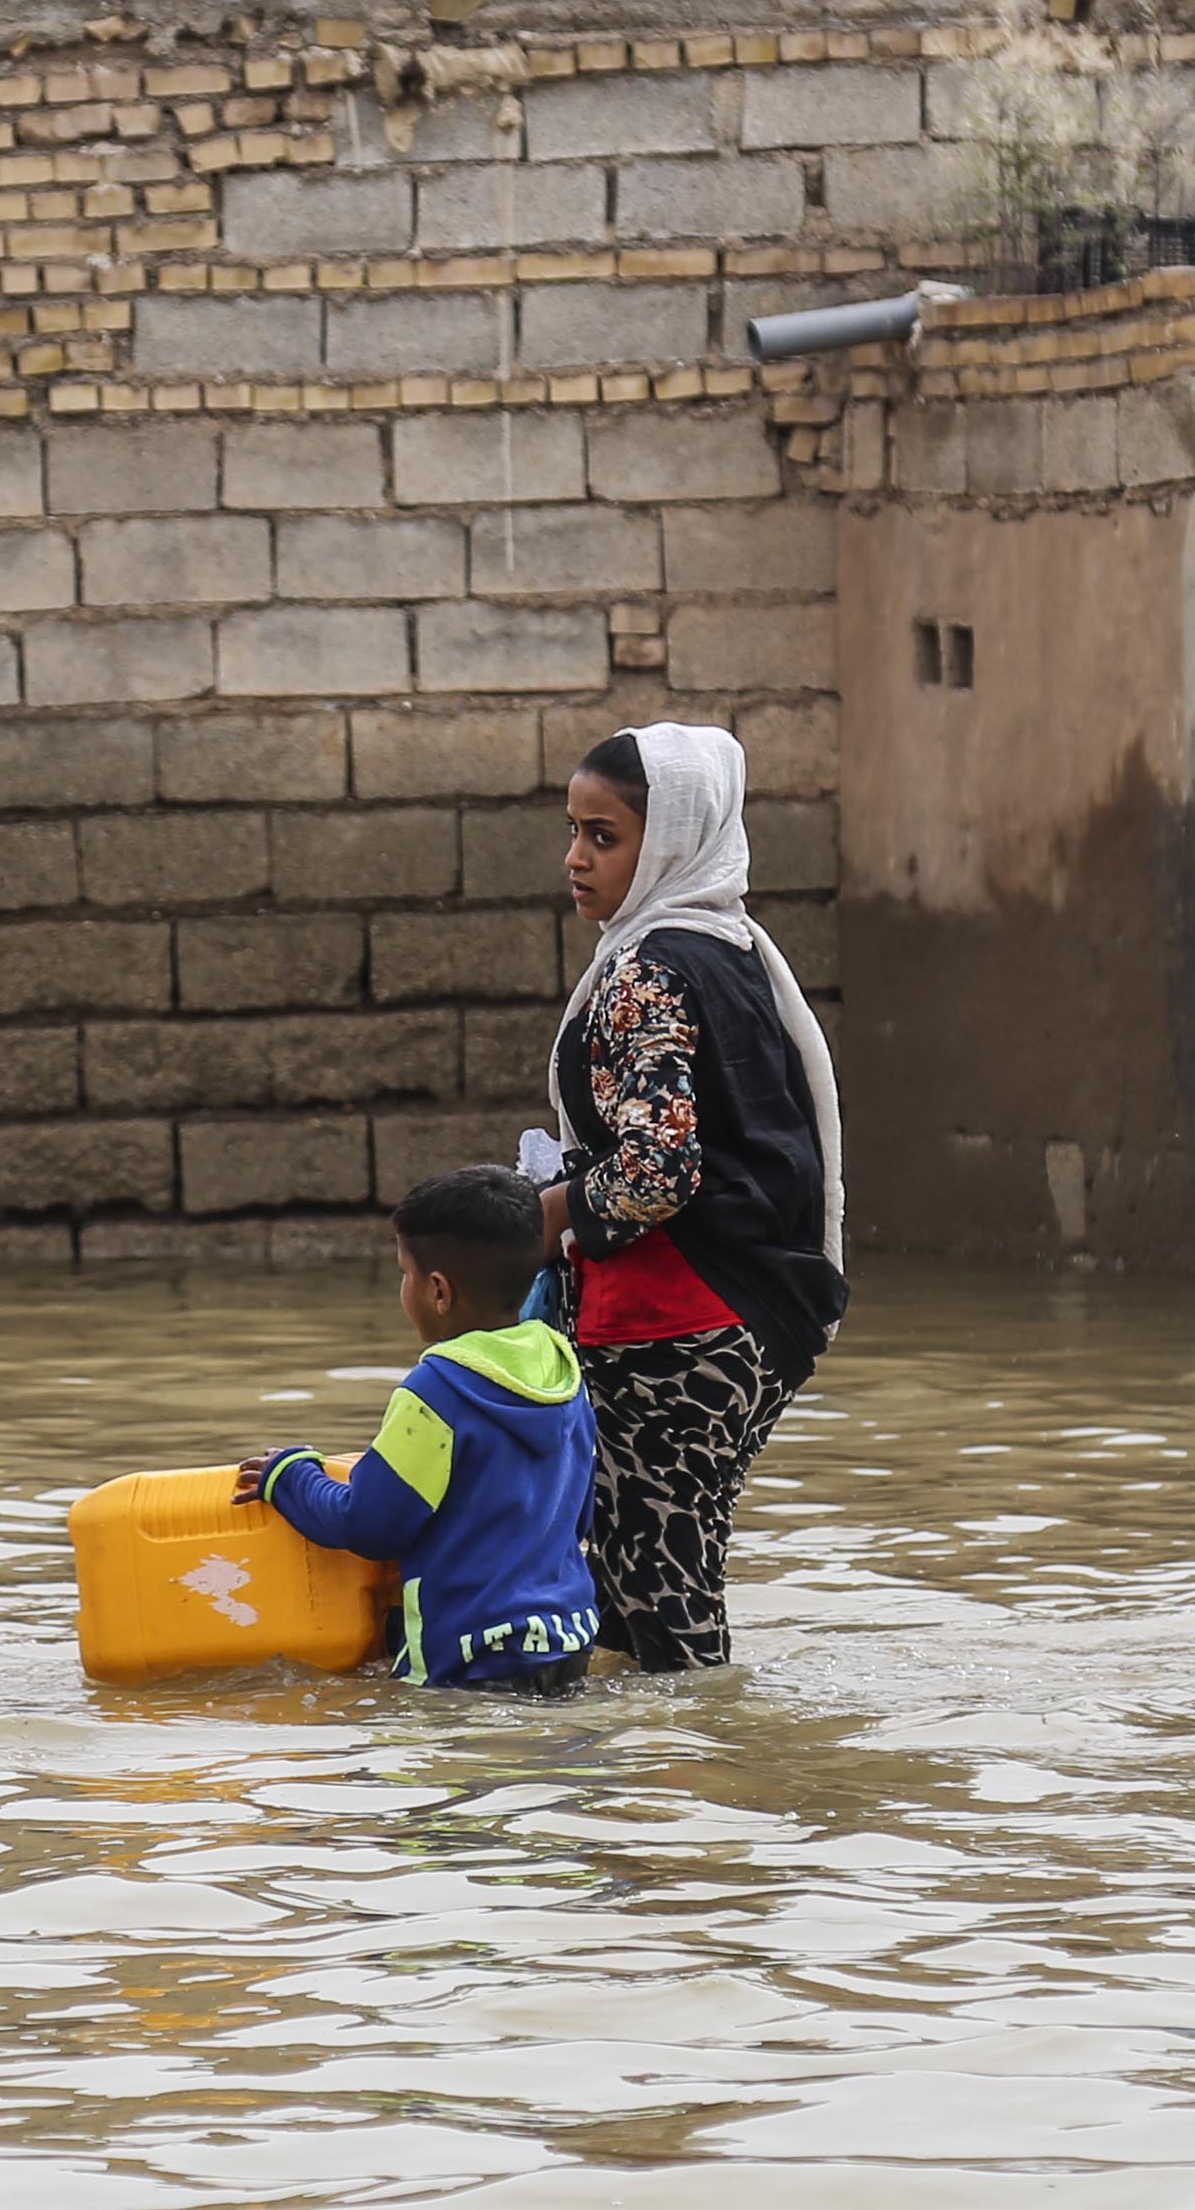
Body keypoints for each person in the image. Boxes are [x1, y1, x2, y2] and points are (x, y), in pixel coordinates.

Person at [536, 723, 847, 1672]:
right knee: (638, 1586)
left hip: (678, 1324)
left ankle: (700, 1794)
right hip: (744, 1309)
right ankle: (670, 1798)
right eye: (575, 831)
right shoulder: (729, 951)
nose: (576, 858)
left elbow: (658, 1172)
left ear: (669, 838)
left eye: (604, 835)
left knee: (659, 1602)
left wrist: (534, 1219)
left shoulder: (650, 970)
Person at [239, 1165, 601, 1692]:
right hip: (567, 1640)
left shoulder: (437, 1388)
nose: (403, 1289)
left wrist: (290, 1475)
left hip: (471, 1661)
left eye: (404, 1273)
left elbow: (369, 1525)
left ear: (438, 1291)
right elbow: (581, 1516)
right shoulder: (563, 1368)